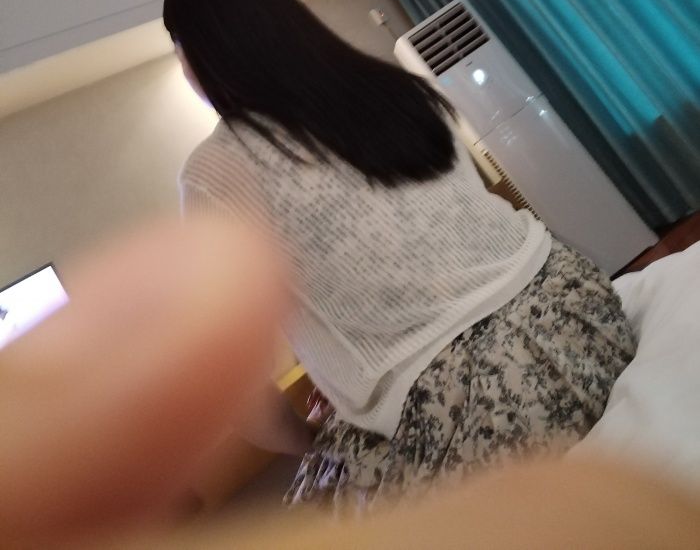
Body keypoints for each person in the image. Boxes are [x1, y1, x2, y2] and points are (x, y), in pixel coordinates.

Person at [163, 0, 637, 509]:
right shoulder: (396, 87)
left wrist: (310, 442)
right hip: (579, 312)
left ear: (201, 55)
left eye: (180, 53)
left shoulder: (217, 172)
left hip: (483, 401)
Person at [1, 213, 697, 549]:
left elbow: (258, 409)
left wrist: (313, 440)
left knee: (312, 486)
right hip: (562, 304)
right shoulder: (388, 97)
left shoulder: (215, 183)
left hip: (467, 385)